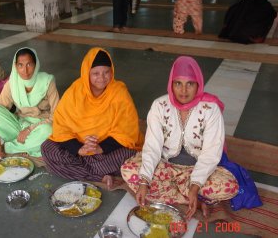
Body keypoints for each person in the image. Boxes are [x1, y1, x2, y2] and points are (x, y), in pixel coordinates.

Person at [121, 56, 262, 220]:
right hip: (165, 166)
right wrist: (144, 182)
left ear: (199, 85)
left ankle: (182, 194)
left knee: (228, 186)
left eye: (190, 84)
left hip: (197, 170)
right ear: (171, 84)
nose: (183, 90)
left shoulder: (210, 109)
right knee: (129, 170)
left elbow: (211, 152)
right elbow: (152, 146)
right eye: (178, 83)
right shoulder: (159, 106)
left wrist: (194, 187)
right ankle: (197, 200)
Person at [41, 47, 144, 189]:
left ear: (112, 71)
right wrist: (80, 149)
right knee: (47, 148)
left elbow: (126, 132)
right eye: (95, 73)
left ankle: (82, 170)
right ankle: (100, 175)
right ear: (86, 73)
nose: (101, 78)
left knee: (130, 154)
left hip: (105, 152)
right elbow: (61, 126)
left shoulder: (119, 92)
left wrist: (100, 148)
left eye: (106, 72)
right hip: (80, 147)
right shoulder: (75, 91)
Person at [0, 47, 59, 159]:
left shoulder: (47, 81)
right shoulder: (12, 84)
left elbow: (57, 115)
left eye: (29, 65)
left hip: (41, 125)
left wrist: (29, 129)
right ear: (15, 66)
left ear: (36, 65)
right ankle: (28, 145)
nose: (25, 71)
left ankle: (8, 147)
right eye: (20, 65)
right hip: (19, 125)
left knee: (49, 131)